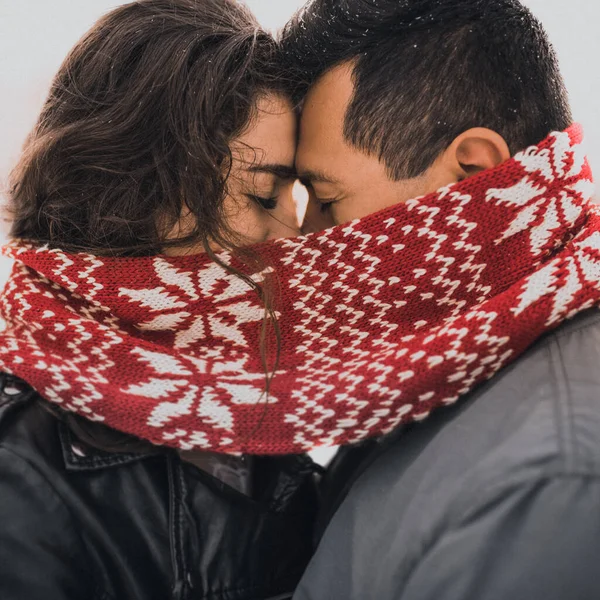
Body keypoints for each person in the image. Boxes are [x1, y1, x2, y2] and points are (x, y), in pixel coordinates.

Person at [279, 0, 600, 598]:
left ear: (472, 175)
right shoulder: (439, 375)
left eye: (326, 198)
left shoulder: (547, 480)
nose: (302, 241)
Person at [0, 1, 318, 598]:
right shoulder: (19, 475)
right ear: (152, 194)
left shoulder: (260, 412)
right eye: (266, 195)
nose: (293, 239)